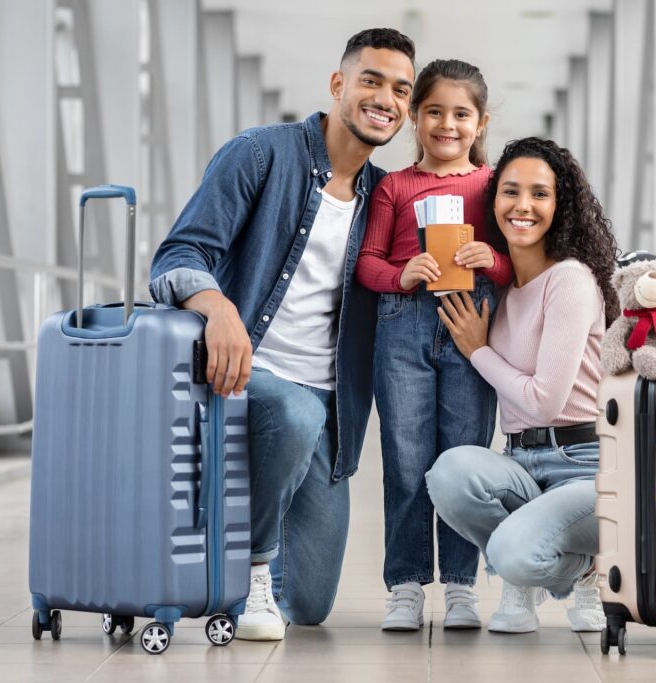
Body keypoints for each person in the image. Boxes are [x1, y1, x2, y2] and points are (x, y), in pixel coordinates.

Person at [148, 28, 416, 641]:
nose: (386, 99)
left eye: (401, 90)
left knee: (311, 603)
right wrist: (218, 309)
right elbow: (178, 254)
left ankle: (251, 553)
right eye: (371, 80)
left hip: (331, 403)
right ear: (338, 84)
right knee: (294, 412)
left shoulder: (384, 198)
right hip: (245, 374)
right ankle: (251, 569)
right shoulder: (261, 154)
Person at [426, 137, 618, 633]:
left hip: (585, 466)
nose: (523, 206)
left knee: (513, 552)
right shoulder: (503, 291)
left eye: (540, 194)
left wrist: (478, 352)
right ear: (493, 203)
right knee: (448, 474)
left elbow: (545, 401)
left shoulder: (570, 280)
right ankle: (539, 568)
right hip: (520, 460)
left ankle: (585, 571)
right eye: (511, 192)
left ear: (560, 205)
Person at [355, 59, 513, 631]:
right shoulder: (394, 187)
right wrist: (401, 274)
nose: (448, 125)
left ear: (481, 122)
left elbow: (515, 266)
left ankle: (461, 587)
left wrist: (490, 259)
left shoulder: (493, 187)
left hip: (472, 324)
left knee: (464, 458)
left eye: (461, 114)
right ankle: (405, 585)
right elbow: (367, 263)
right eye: (435, 113)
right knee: (405, 460)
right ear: (415, 119)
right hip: (404, 326)